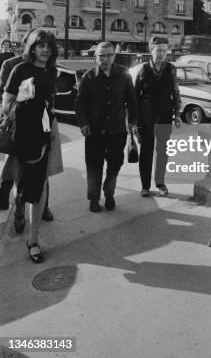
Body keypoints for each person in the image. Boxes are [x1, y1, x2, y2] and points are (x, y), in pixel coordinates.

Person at [2, 29, 61, 263]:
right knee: (21, 186)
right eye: (41, 45)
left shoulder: (52, 70)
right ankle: (18, 211)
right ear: (33, 47)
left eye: (49, 46)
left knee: (40, 187)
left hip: (43, 136)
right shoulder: (19, 69)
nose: (45, 49)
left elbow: (50, 101)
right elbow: (6, 105)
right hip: (21, 136)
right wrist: (24, 98)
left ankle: (33, 240)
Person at [75, 41, 137, 212]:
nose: (105, 59)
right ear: (95, 57)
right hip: (94, 131)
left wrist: (132, 121)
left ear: (114, 56)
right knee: (94, 167)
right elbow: (79, 103)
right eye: (101, 55)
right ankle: (94, 199)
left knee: (115, 164)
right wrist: (83, 123)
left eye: (109, 55)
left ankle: (109, 193)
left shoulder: (124, 74)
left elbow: (132, 100)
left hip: (117, 131)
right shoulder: (88, 77)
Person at [132, 35, 182, 197]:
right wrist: (133, 121)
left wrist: (177, 114)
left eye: (164, 51)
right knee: (146, 151)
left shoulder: (171, 69)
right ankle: (145, 186)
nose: (161, 54)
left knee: (162, 152)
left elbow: (175, 92)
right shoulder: (143, 69)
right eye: (158, 50)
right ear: (151, 51)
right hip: (145, 117)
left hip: (164, 116)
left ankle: (160, 183)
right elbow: (134, 96)